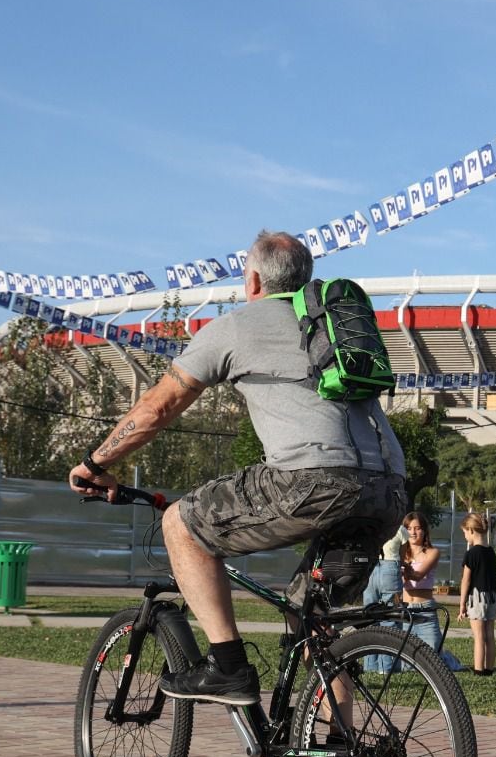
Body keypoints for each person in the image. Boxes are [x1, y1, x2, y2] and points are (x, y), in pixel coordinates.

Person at [67, 230, 407, 708]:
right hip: (389, 490)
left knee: (180, 524)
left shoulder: (236, 326)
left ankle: (227, 668)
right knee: (313, 619)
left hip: (312, 482)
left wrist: (94, 463)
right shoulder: (334, 325)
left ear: (252, 280)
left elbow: (158, 408)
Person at [400, 511, 449, 663]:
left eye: (417, 528)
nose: (413, 532)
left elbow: (418, 575)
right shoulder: (400, 553)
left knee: (433, 657)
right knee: (406, 660)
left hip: (425, 609)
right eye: (409, 528)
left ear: (424, 530)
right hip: (405, 608)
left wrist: (403, 568)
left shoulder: (433, 552)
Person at [457, 513, 496, 675]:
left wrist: (462, 604)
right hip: (492, 596)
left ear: (471, 530)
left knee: (479, 636)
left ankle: (478, 669)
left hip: (477, 597)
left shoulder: (472, 554)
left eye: (465, 532)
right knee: (490, 635)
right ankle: (489, 668)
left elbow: (466, 580)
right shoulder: (491, 552)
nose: (465, 536)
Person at [362, 524, 408, 606]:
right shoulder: (400, 529)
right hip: (390, 567)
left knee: (370, 610)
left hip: (370, 569)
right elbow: (402, 556)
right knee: (391, 613)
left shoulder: (368, 527)